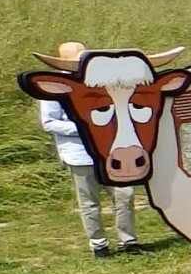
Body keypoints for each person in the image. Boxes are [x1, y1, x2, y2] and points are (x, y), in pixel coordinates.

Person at [36, 40, 147, 259]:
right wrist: (85, 128)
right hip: (79, 154)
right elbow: (49, 123)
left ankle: (128, 241)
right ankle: (99, 246)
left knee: (125, 195)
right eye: (77, 60)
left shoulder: (99, 81)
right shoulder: (53, 88)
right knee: (89, 202)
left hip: (109, 151)